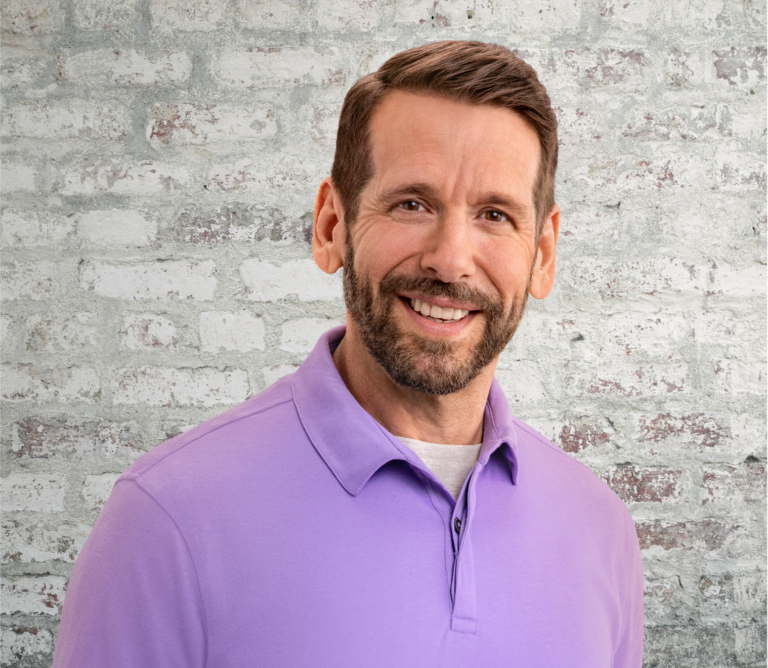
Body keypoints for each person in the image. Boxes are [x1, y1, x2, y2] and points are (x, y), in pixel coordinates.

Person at [52, 40, 643, 667]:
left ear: (543, 254)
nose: (450, 258)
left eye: (494, 215)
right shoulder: (166, 519)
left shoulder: (599, 531)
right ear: (332, 225)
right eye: (412, 204)